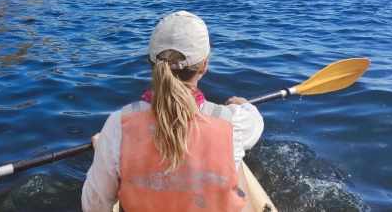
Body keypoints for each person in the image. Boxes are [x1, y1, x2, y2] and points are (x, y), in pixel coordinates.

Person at [82, 11, 264, 212]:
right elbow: (256, 122)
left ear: (151, 63)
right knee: (237, 167)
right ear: (204, 65)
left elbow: (94, 205)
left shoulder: (118, 125)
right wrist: (242, 105)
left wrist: (105, 146)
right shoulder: (233, 123)